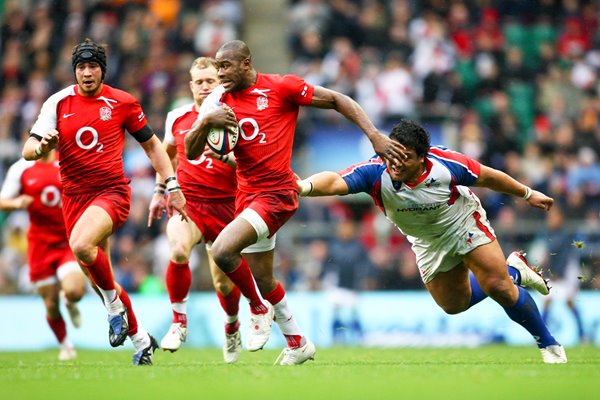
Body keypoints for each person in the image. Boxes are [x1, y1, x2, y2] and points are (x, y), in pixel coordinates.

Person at [185, 39, 404, 365]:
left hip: (276, 195)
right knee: (264, 279)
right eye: (217, 68)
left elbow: (337, 99)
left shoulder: (281, 88)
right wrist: (205, 122)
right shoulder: (217, 101)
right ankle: (298, 341)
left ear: (246, 63)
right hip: (246, 196)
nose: (220, 74)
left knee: (221, 251)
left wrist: (373, 135)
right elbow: (191, 151)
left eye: (226, 66)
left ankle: (257, 309)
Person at [297, 119, 568, 364]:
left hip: (462, 223)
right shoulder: (374, 171)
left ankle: (549, 345)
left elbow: (488, 177)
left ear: (422, 158)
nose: (396, 163)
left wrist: (527, 193)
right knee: (453, 305)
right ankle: (514, 271)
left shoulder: (447, 164)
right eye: (393, 154)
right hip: (426, 242)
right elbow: (334, 181)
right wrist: (305, 187)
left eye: (406, 158)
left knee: (500, 288)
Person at [22, 38, 187, 366]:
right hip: (74, 199)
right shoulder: (58, 103)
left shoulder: (122, 103)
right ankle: (141, 340)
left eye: (92, 66)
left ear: (102, 70)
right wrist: (42, 147)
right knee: (102, 281)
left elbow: (154, 146)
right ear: (74, 72)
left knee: (81, 246)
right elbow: (29, 149)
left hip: (111, 193)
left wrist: (171, 184)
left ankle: (115, 310)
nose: (86, 73)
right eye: (81, 67)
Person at [147, 56, 243, 363]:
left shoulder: (235, 117)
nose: (204, 87)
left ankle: (231, 327)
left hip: (227, 207)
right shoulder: (177, 117)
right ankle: (179, 322)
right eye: (199, 82)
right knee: (177, 250)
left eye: (210, 81)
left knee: (222, 283)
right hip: (190, 204)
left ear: (220, 84)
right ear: (191, 85)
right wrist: (158, 192)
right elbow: (166, 156)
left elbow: (251, 164)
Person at [0, 149, 87, 361]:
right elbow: (3, 201)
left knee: (75, 290)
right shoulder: (21, 168)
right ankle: (66, 345)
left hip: (67, 239)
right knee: (49, 303)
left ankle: (70, 300)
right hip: (40, 244)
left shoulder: (68, 160)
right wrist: (17, 203)